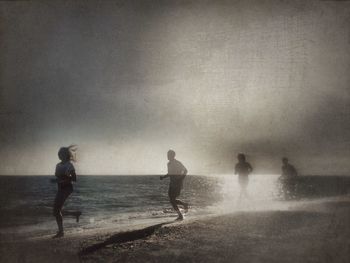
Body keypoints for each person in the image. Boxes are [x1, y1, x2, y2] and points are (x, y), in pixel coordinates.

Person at [52, 145, 81, 238]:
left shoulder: (69, 165)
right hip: (60, 188)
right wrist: (55, 181)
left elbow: (75, 178)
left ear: (65, 155)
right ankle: (75, 214)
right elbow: (58, 178)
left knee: (56, 210)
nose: (59, 155)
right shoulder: (58, 165)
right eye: (58, 154)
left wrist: (64, 179)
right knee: (56, 210)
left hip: (67, 188)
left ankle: (61, 232)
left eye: (60, 154)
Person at [160, 150, 189, 220]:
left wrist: (181, 178)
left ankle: (180, 215)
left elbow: (186, 170)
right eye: (167, 154)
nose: (167, 156)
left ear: (172, 155)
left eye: (168, 155)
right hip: (172, 183)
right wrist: (163, 177)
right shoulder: (168, 164)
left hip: (178, 183)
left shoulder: (177, 163)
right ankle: (184, 205)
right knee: (172, 199)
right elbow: (170, 173)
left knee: (172, 200)